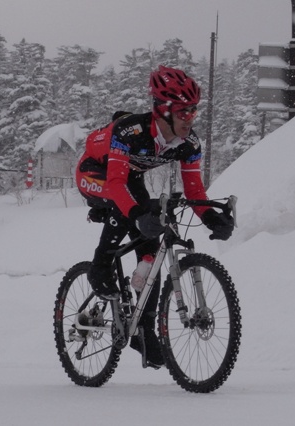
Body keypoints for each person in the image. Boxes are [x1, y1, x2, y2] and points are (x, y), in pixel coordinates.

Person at [75, 65, 234, 368]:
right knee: (129, 211)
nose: (191, 118)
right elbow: (115, 184)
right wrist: (136, 215)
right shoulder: (130, 132)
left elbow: (195, 191)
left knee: (151, 244)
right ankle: (100, 265)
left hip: (129, 176)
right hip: (95, 172)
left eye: (194, 111)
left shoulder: (189, 144)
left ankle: (144, 329)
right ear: (163, 110)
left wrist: (212, 218)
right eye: (184, 111)